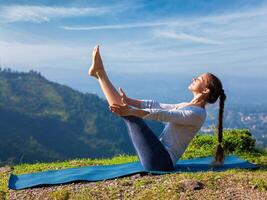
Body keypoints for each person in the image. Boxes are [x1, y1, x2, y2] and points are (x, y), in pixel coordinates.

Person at [88, 45, 226, 171]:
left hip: (161, 162)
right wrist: (129, 101)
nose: (194, 78)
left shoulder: (197, 114)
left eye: (199, 79)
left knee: (131, 117)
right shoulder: (188, 106)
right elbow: (158, 106)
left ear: (206, 90)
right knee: (130, 114)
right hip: (159, 155)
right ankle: (99, 74)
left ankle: (100, 73)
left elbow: (162, 114)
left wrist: (131, 110)